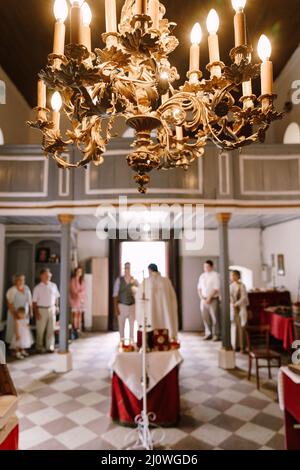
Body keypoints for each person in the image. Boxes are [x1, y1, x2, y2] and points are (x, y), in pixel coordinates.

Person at [136, 264, 178, 339]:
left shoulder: (146, 281)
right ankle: (167, 339)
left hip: (151, 311)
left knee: (151, 323)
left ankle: (151, 342)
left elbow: (139, 296)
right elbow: (172, 297)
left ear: (149, 270)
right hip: (164, 311)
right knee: (164, 322)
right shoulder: (166, 280)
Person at [33, 268, 60, 353]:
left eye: (49, 274)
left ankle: (50, 346)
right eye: (46, 275)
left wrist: (57, 307)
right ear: (42, 276)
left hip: (52, 309)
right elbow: (34, 302)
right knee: (40, 330)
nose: (48, 276)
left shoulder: (54, 286)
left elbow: (56, 298)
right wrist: (36, 313)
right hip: (41, 310)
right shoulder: (37, 288)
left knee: (51, 329)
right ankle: (39, 347)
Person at [5, 274, 33, 346]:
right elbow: (9, 304)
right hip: (14, 314)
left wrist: (31, 312)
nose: (22, 281)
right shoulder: (12, 290)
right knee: (14, 330)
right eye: (20, 280)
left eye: (23, 280)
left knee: (23, 331)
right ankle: (14, 349)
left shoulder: (27, 289)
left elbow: (30, 302)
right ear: (16, 281)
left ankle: (22, 347)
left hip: (24, 315)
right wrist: (14, 314)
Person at [113, 263, 138, 341]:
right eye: (126, 268)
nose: (127, 270)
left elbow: (139, 293)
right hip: (122, 305)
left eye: (129, 268)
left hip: (132, 306)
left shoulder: (135, 281)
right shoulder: (119, 280)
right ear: (124, 269)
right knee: (121, 326)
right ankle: (122, 341)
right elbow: (115, 295)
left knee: (132, 326)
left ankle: (131, 341)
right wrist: (116, 308)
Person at [197, 260, 220, 341]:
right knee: (205, 317)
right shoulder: (202, 276)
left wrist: (209, 298)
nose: (205, 268)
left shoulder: (216, 275)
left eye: (207, 266)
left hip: (213, 299)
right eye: (204, 266)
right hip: (203, 300)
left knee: (215, 318)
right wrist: (202, 298)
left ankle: (216, 334)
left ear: (212, 266)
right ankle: (208, 333)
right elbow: (199, 288)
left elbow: (216, 288)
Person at [230, 270, 249, 352]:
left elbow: (244, 297)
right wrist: (232, 302)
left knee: (242, 327)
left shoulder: (242, 285)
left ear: (238, 276)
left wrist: (236, 304)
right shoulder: (231, 285)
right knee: (235, 327)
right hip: (233, 308)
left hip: (240, 308)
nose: (232, 277)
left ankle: (242, 347)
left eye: (234, 275)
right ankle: (235, 346)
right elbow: (230, 295)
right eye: (231, 275)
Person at [69, 267, 86, 335]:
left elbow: (84, 290)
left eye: (80, 271)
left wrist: (80, 294)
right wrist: (78, 294)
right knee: (75, 315)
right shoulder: (72, 280)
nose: (79, 273)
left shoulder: (82, 281)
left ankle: (79, 329)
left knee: (80, 314)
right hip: (74, 299)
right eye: (78, 271)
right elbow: (72, 289)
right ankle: (75, 329)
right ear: (75, 272)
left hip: (81, 300)